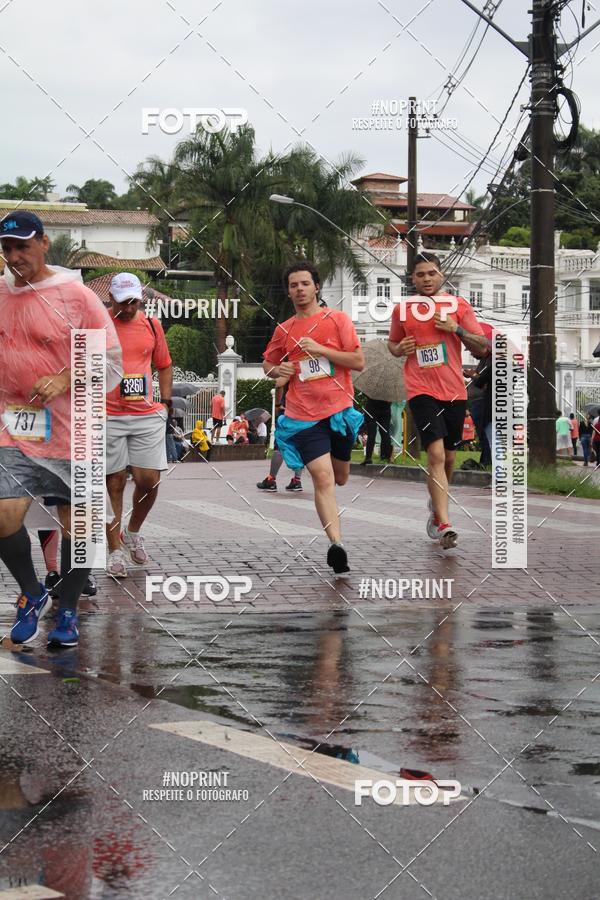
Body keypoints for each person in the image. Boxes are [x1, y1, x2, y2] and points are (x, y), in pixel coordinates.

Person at [0, 211, 122, 646]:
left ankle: (67, 609)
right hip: (15, 427)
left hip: (75, 426)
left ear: (44, 243)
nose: (15, 256)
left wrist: (65, 378)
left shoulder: (76, 296)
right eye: (7, 248)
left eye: (23, 246)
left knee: (81, 526)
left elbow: (109, 361)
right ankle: (33, 594)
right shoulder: (0, 292)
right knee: (2, 515)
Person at [263, 262, 364, 575]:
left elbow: (357, 361)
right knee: (323, 478)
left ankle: (336, 540)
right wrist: (278, 370)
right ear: (289, 291)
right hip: (303, 416)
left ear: (316, 287)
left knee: (340, 477)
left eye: (305, 283)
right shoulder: (285, 329)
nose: (299, 289)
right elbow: (267, 364)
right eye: (294, 285)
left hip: (338, 412)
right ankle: (337, 545)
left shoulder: (338, 320)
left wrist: (321, 349)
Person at [387, 252, 488, 549]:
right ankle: (443, 523)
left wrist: (455, 329)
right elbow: (392, 343)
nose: (426, 279)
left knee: (450, 458)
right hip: (420, 389)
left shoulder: (458, 306)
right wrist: (398, 348)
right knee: (435, 456)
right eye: (420, 275)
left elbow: (483, 347)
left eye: (431, 273)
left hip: (454, 390)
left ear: (441, 275)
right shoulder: (403, 311)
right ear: (412, 279)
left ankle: (436, 503)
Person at [105, 273, 173, 578]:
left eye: (134, 301)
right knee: (114, 482)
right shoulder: (98, 324)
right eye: (123, 302)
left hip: (145, 413)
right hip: (108, 413)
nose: (129, 307)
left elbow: (164, 365)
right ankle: (114, 552)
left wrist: (168, 403)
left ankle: (132, 532)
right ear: (111, 299)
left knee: (149, 480)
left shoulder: (151, 325)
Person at [257, 404, 304, 492]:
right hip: (306, 417)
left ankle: (271, 480)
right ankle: (297, 481)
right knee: (298, 448)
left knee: (279, 446)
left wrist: (280, 407)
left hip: (289, 414)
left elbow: (282, 403)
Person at [360, 395, 392, 466]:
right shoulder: (390, 386)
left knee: (372, 433)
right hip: (385, 407)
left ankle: (368, 458)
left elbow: (365, 393)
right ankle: (385, 456)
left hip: (371, 407)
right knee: (385, 432)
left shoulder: (372, 384)